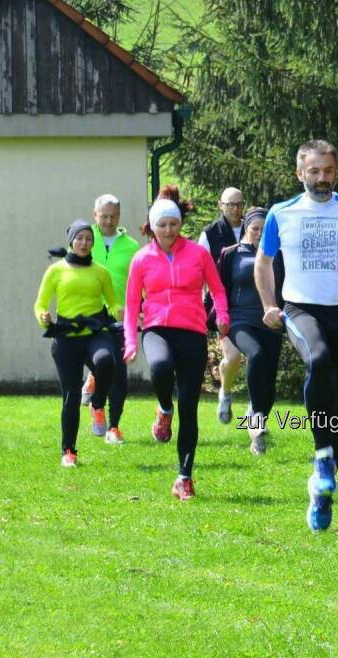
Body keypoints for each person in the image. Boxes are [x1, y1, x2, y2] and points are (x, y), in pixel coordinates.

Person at [254, 139, 338, 532]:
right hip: (299, 308)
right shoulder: (282, 212)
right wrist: (269, 305)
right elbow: (264, 262)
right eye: (314, 171)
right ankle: (321, 454)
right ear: (300, 173)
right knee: (317, 358)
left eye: (328, 171)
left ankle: (323, 483)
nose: (322, 178)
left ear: (336, 172)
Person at [124, 187, 230, 500]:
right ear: (151, 227)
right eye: (162, 225)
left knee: (190, 407)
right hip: (156, 327)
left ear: (179, 223)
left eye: (173, 224)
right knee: (159, 367)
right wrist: (130, 340)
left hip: (192, 330)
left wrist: (222, 317)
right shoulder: (141, 259)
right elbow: (131, 305)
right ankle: (163, 408)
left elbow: (218, 290)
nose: (168, 230)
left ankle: (184, 477)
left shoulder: (198, 254)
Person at [34, 220, 119, 467]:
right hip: (66, 336)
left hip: (94, 331)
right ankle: (69, 451)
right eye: (79, 238)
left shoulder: (100, 272)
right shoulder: (56, 271)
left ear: (93, 243)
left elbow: (112, 302)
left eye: (89, 239)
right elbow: (40, 303)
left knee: (106, 361)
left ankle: (97, 403)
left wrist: (119, 310)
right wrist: (43, 318)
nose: (84, 243)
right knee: (71, 396)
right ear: (71, 240)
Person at [217, 206, 283, 455]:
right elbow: (218, 289)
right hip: (239, 320)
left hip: (271, 319)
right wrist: (219, 318)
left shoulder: (277, 255)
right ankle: (255, 419)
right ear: (246, 228)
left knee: (269, 380)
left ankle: (258, 425)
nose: (258, 234)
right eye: (255, 228)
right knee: (255, 354)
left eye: (264, 230)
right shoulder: (231, 254)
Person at [78, 194, 141, 444]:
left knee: (120, 370)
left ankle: (114, 426)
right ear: (95, 215)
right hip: (90, 313)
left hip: (120, 314)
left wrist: (141, 307)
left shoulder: (131, 246)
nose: (108, 220)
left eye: (113, 216)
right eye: (103, 216)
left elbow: (139, 281)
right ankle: (97, 402)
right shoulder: (84, 239)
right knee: (102, 363)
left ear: (119, 216)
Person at [198, 187, 245, 425]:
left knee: (260, 361)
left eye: (239, 204)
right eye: (231, 204)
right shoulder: (209, 234)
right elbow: (199, 272)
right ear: (221, 205)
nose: (236, 209)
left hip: (253, 304)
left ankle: (256, 420)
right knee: (234, 356)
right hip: (222, 306)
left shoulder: (254, 229)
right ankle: (225, 393)